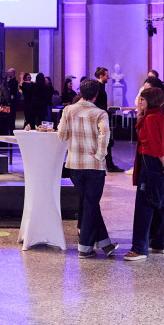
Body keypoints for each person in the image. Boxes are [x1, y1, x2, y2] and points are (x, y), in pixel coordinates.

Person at [58, 78, 117, 258]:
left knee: (89, 203)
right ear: (96, 94)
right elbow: (104, 136)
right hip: (94, 166)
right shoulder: (100, 113)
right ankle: (84, 247)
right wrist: (100, 155)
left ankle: (104, 243)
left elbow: (62, 135)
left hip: (74, 164)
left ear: (80, 92)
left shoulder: (68, 110)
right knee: (91, 203)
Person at [125, 85, 164, 261]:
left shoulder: (151, 119)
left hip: (151, 163)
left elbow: (156, 145)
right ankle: (159, 243)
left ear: (150, 101)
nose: (139, 101)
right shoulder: (159, 116)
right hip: (157, 165)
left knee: (144, 206)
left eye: (142, 99)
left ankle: (139, 248)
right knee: (158, 203)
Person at [94, 66, 122, 173]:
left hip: (101, 118)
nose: (108, 77)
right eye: (106, 75)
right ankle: (109, 165)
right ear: (101, 76)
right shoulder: (98, 87)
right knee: (106, 142)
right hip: (100, 119)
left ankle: (109, 164)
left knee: (106, 142)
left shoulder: (100, 87)